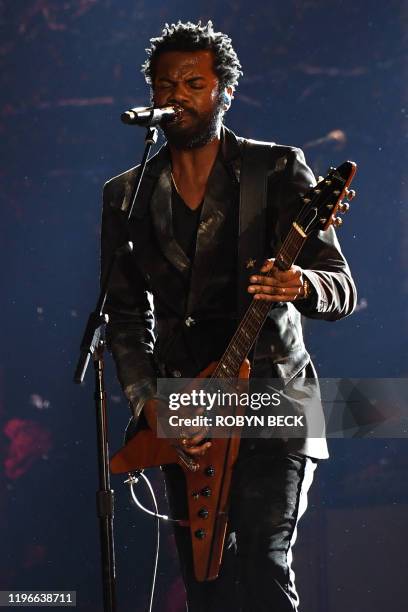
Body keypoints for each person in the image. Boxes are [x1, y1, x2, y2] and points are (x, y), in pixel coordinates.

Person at [101, 20, 356, 612]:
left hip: (275, 396)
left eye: (194, 82)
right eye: (166, 85)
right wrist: (151, 405)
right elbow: (122, 315)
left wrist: (301, 283)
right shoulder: (125, 195)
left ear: (225, 92)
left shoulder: (276, 169)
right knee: (206, 588)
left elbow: (340, 286)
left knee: (263, 564)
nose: (177, 96)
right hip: (189, 403)